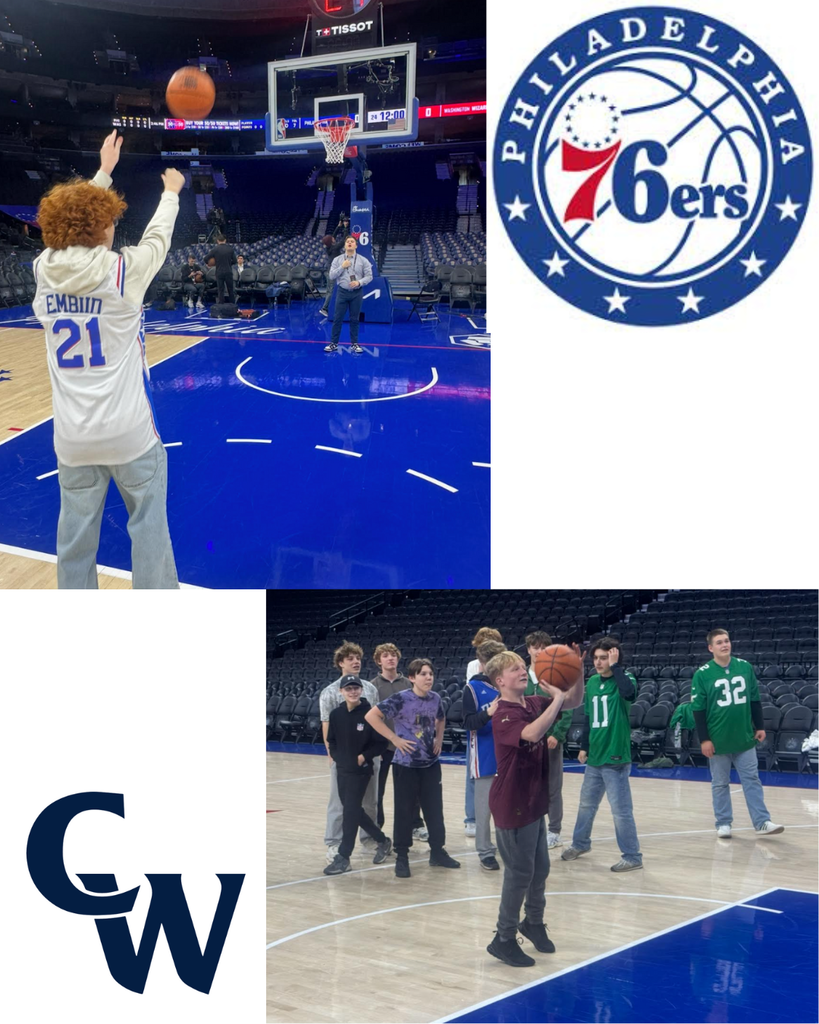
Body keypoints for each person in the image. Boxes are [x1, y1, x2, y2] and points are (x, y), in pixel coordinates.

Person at [32, 129, 183, 589]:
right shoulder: (122, 271)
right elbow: (157, 239)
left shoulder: (42, 270)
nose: (113, 226)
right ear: (101, 228)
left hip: (73, 440)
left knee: (73, 544)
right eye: (109, 221)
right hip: (129, 434)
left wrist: (103, 173)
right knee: (149, 531)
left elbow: (72, 227)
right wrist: (170, 194)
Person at [485, 649, 584, 967]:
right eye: (515, 669)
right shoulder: (502, 713)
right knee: (519, 874)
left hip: (531, 798)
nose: (522, 671)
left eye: (522, 666)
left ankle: (534, 923)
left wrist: (577, 673)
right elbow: (532, 733)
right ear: (500, 680)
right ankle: (503, 938)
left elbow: (573, 702)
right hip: (511, 802)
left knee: (540, 869)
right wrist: (555, 699)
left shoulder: (531, 703)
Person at [366, 658, 460, 878]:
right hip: (405, 765)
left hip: (430, 764)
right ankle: (402, 856)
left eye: (430, 674)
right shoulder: (400, 699)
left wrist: (439, 739)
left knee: (434, 810)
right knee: (404, 811)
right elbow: (371, 716)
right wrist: (394, 739)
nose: (428, 678)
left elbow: (441, 719)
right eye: (423, 674)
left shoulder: (436, 698)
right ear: (411, 678)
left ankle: (437, 851)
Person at [691, 629, 783, 839]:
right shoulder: (702, 674)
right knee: (720, 783)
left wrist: (759, 726)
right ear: (710, 648)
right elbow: (698, 709)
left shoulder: (745, 667)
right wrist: (704, 739)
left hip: (744, 737)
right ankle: (723, 822)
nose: (725, 645)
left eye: (727, 641)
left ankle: (762, 822)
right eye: (719, 642)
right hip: (718, 740)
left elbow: (754, 699)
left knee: (752, 779)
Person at [561, 638, 643, 872]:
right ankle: (580, 843)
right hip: (595, 757)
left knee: (620, 811)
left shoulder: (625, 680)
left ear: (614, 657)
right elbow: (588, 717)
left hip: (616, 757)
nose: (598, 662)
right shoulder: (593, 683)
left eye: (603, 657)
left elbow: (629, 694)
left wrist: (616, 667)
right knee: (586, 805)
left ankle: (632, 855)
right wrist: (584, 746)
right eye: (596, 658)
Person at [319, 641, 382, 862]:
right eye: (350, 658)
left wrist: (373, 753)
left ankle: (370, 839)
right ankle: (334, 843)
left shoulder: (370, 689)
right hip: (343, 758)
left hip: (368, 756)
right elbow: (326, 725)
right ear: (340, 663)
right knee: (338, 802)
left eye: (358, 658)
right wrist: (331, 755)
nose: (356, 662)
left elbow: (377, 722)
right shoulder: (328, 693)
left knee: (370, 801)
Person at [324, 675, 392, 875]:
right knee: (352, 809)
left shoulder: (370, 714)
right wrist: (338, 758)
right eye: (348, 689)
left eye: (356, 688)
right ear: (341, 691)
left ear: (361, 690)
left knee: (350, 810)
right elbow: (331, 741)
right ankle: (382, 840)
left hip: (361, 770)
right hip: (342, 769)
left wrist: (363, 757)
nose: (353, 692)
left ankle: (344, 856)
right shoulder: (336, 714)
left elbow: (380, 743)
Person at [370, 643, 428, 842]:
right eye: (385, 655)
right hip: (383, 746)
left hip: (408, 745)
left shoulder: (409, 683)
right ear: (379, 661)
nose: (390, 658)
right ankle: (376, 827)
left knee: (412, 789)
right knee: (378, 790)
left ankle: (415, 824)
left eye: (393, 655)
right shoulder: (372, 686)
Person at [524, 630, 574, 848]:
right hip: (526, 743)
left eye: (544, 647)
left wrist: (557, 733)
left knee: (553, 787)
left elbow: (567, 708)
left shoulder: (556, 676)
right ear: (528, 650)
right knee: (528, 787)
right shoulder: (520, 677)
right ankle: (530, 826)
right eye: (535, 647)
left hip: (551, 741)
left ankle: (554, 830)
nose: (539, 651)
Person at [462, 639, 507, 871]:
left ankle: (506, 847)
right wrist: (489, 712)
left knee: (507, 806)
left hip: (508, 754)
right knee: (484, 808)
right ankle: (485, 851)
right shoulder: (472, 689)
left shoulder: (508, 686)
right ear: (482, 663)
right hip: (485, 754)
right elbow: (469, 723)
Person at [324, 236, 372, 355]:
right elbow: (331, 276)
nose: (350, 243)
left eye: (352, 242)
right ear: (345, 246)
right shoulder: (337, 260)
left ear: (356, 245)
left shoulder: (363, 260)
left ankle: (354, 344)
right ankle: (334, 343)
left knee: (355, 319)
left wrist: (359, 282)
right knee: (337, 318)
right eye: (347, 242)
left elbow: (369, 276)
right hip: (342, 292)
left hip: (357, 293)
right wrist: (342, 266)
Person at [205, 232, 237, 304]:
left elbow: (205, 258)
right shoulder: (230, 249)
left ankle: (221, 306)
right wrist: (228, 263)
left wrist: (209, 264)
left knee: (220, 290)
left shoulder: (215, 249)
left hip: (219, 272)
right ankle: (233, 305)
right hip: (228, 271)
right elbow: (235, 261)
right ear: (225, 240)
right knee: (230, 290)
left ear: (218, 241)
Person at [319, 233, 345, 317]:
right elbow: (344, 240)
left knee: (329, 291)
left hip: (329, 271)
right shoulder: (335, 248)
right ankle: (324, 309)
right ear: (331, 241)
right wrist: (345, 228)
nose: (334, 238)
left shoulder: (329, 248)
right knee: (331, 291)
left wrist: (338, 226)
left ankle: (328, 308)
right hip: (332, 272)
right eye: (332, 238)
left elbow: (331, 237)